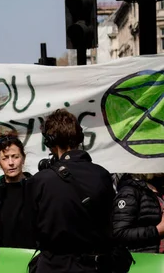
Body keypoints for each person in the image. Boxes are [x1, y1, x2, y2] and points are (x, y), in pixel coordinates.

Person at [27, 109, 119, 273]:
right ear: (80, 138)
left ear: (50, 142)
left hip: (52, 267)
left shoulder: (40, 181)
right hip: (95, 267)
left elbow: (30, 230)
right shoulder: (102, 175)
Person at [112, 173, 164, 253]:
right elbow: (120, 233)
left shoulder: (157, 187)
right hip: (146, 259)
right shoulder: (129, 191)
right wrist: (158, 230)